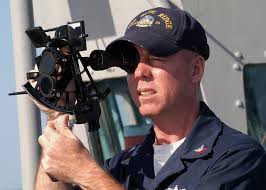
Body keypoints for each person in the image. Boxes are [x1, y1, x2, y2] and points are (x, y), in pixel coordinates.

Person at [35, 7, 266, 190]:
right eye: (131, 62)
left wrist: (86, 173)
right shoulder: (123, 166)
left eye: (156, 58)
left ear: (195, 69)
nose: (139, 72)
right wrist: (56, 118)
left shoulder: (239, 158)